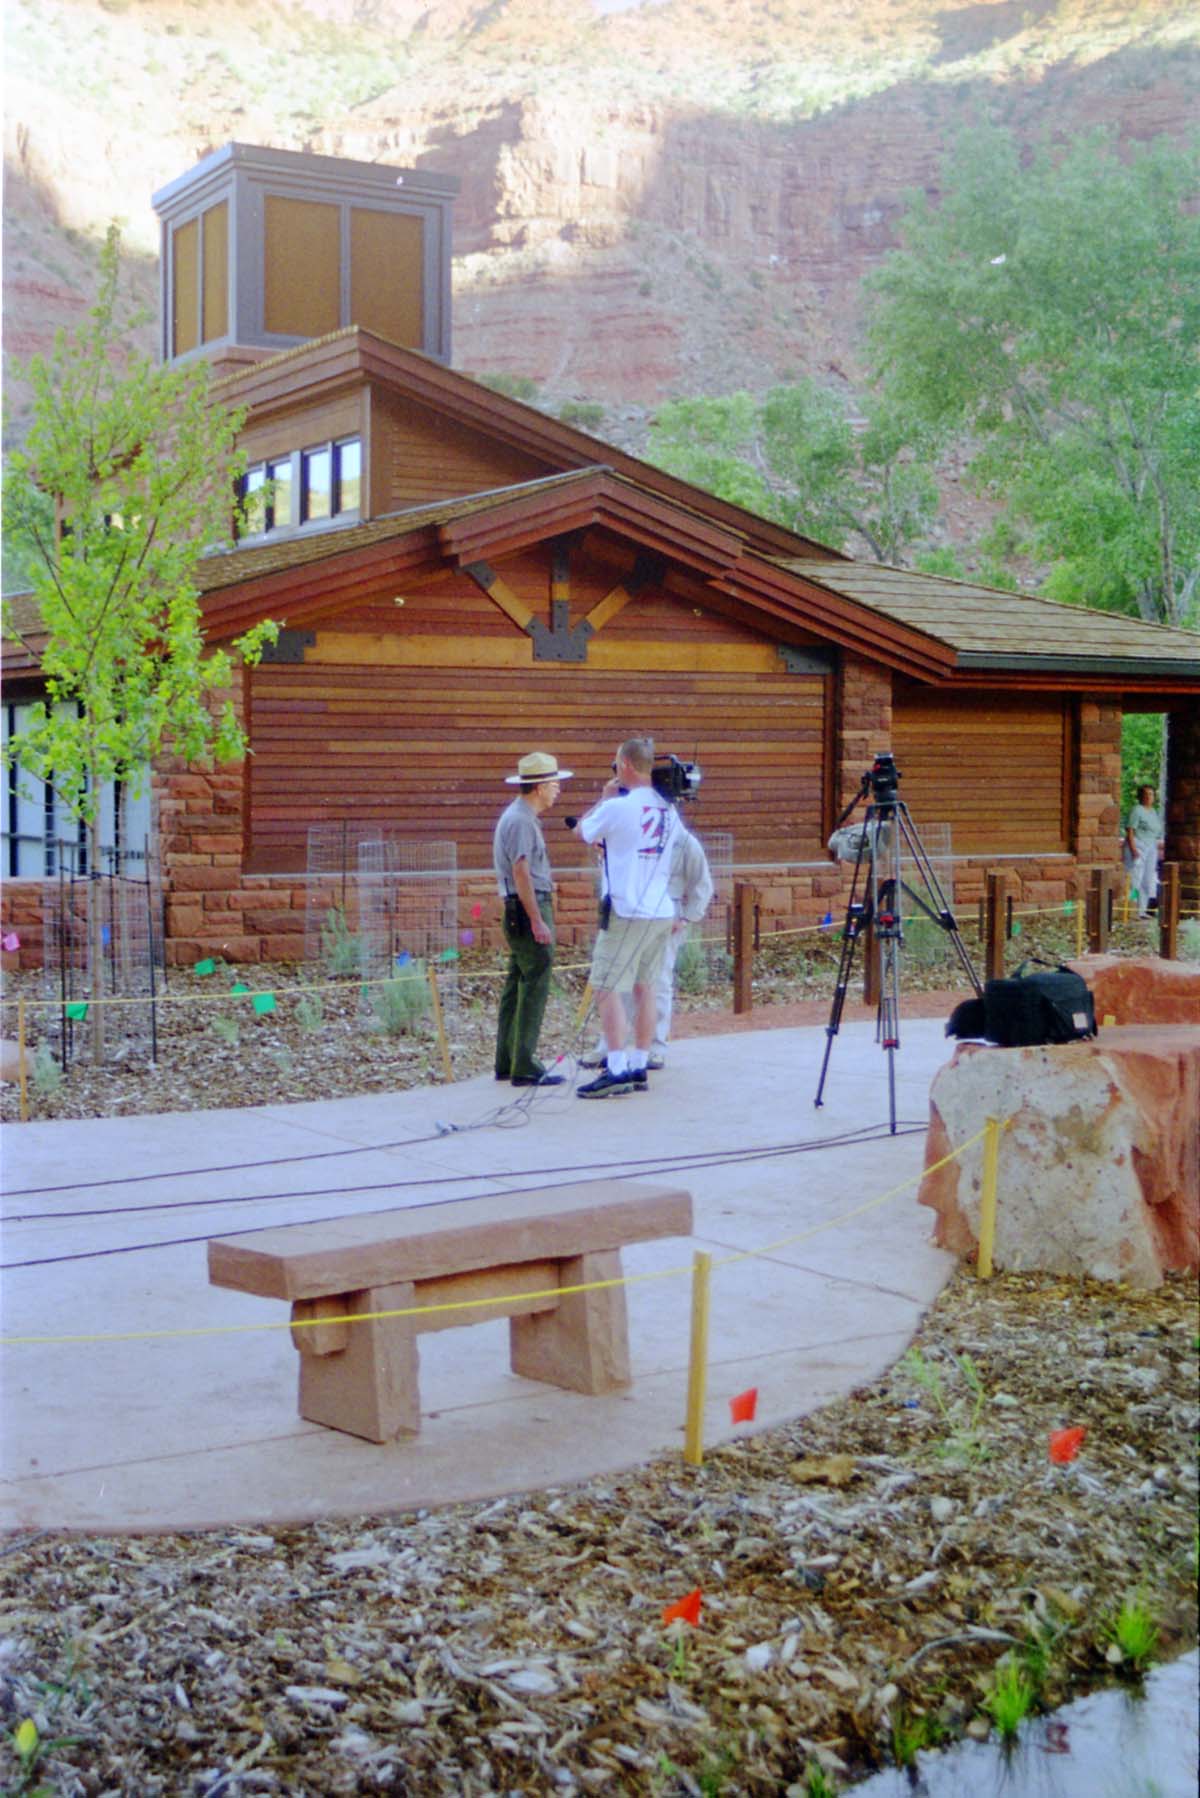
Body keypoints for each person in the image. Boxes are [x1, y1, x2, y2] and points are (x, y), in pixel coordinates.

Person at [573, 737, 680, 1098]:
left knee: (606, 987)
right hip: (660, 910)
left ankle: (616, 1068)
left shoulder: (618, 806)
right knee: (645, 985)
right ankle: (639, 1064)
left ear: (625, 765)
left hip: (626, 908)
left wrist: (604, 797)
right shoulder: (669, 810)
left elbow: (583, 832)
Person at [581, 822, 714, 1070]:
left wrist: (686, 916)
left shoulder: (684, 842)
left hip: (666, 912)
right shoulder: (632, 833)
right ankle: (610, 1046)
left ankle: (655, 1046)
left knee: (657, 981)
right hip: (629, 910)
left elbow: (702, 883)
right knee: (616, 982)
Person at [493, 750, 572, 1086]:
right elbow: (521, 871)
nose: (558, 790)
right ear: (539, 787)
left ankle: (508, 1060)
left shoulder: (518, 817)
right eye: (554, 784)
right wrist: (538, 920)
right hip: (527, 907)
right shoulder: (522, 821)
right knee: (535, 980)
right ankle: (524, 1063)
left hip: (518, 907)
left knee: (518, 982)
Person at [1125, 784, 1163, 919]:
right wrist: (1133, 849)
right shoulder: (1136, 810)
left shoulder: (1153, 812)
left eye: (1151, 794)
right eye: (1146, 794)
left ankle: (1142, 910)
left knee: (1147, 879)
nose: (1148, 797)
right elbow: (1130, 830)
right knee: (1135, 878)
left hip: (1151, 845)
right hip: (1138, 844)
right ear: (1140, 796)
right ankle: (1131, 908)